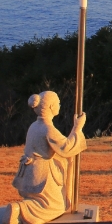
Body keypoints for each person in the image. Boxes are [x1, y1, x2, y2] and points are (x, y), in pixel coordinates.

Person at [0, 91, 86, 224]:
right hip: (41, 176)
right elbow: (66, 147)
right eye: (58, 103)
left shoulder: (34, 126)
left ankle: (19, 210)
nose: (59, 105)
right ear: (51, 107)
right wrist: (77, 128)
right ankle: (20, 209)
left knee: (39, 200)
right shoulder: (47, 129)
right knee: (55, 206)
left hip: (29, 172)